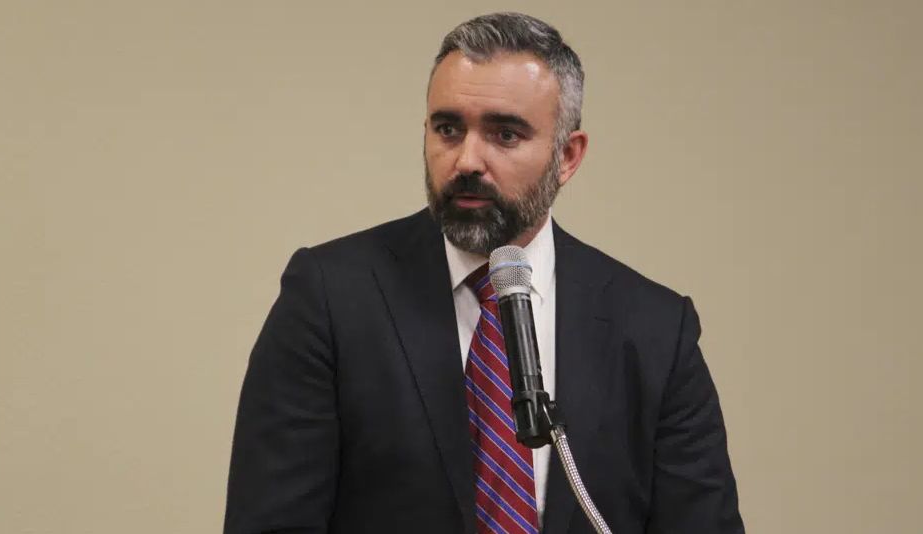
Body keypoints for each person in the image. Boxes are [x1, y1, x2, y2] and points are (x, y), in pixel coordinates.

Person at [224, 12, 744, 534]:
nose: (467, 159)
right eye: (448, 128)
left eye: (505, 134)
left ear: (567, 156)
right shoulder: (331, 297)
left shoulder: (654, 329)